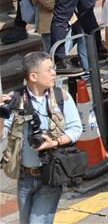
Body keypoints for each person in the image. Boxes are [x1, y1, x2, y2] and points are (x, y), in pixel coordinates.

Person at [0, 52, 83, 224]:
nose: (54, 73)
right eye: (49, 69)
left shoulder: (61, 97)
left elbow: (76, 128)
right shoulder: (15, 100)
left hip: (50, 176)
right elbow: (2, 136)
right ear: (33, 76)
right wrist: (0, 113)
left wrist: (55, 142)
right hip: (24, 177)